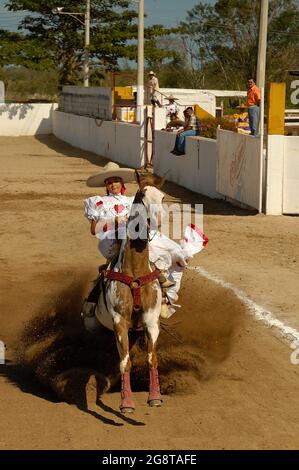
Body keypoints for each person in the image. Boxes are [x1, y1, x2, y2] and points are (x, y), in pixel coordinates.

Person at [82, 162, 207, 321]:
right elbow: (94, 229)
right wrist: (116, 220)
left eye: (116, 180)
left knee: (169, 252)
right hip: (112, 239)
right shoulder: (98, 202)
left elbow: (150, 217)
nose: (113, 184)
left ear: (121, 183)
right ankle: (94, 298)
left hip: (136, 234)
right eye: (109, 182)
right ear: (106, 186)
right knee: (115, 264)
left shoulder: (132, 200)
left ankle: (164, 295)